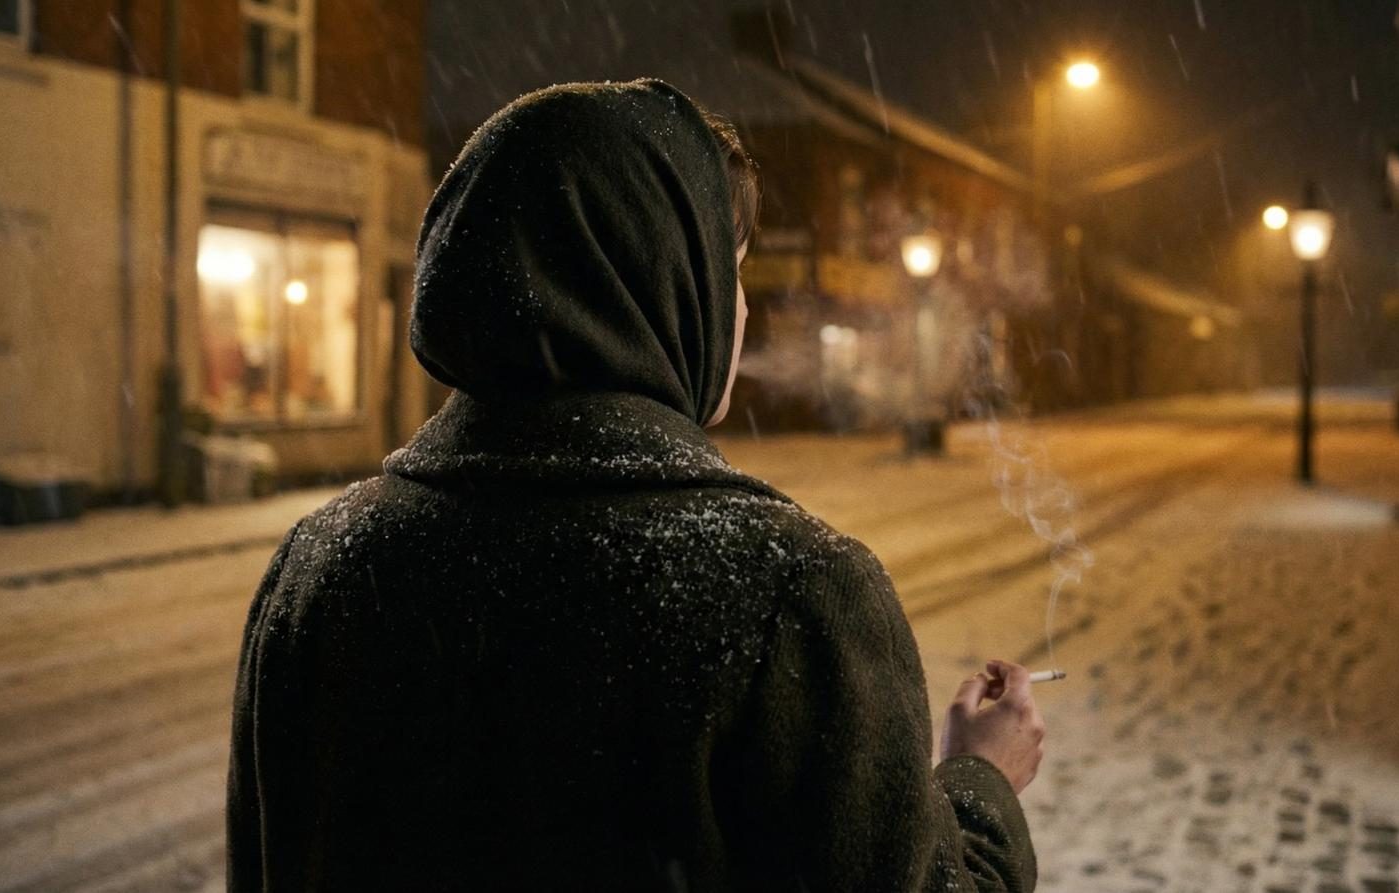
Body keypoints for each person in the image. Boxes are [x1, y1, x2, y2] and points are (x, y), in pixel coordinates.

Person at [227, 79, 1044, 892]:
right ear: (667, 283)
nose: (745, 315)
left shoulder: (320, 570)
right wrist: (982, 781)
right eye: (732, 273)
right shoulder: (790, 595)